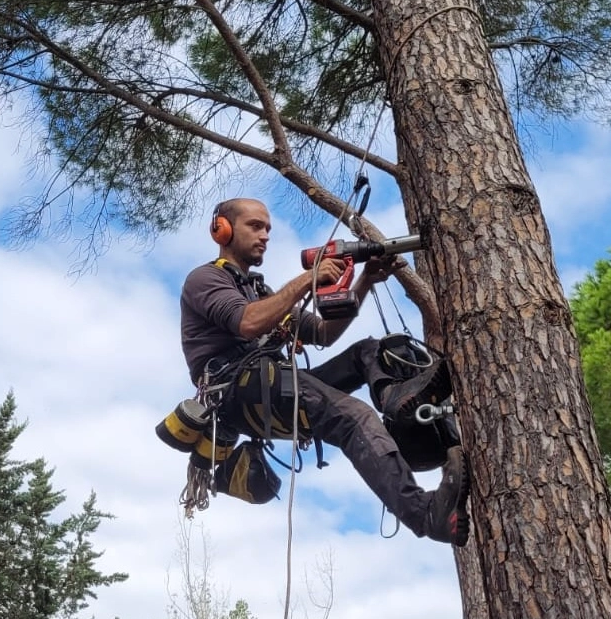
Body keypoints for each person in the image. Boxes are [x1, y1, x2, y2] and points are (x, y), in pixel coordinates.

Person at [179, 196, 470, 546]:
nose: (265, 235)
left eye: (268, 228)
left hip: (275, 384)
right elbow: (247, 323)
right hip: (240, 394)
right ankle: (424, 514)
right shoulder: (205, 279)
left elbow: (323, 334)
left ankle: (398, 401)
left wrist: (364, 282)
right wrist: (307, 280)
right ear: (222, 230)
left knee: (368, 351)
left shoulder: (259, 290)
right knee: (353, 417)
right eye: (255, 226)